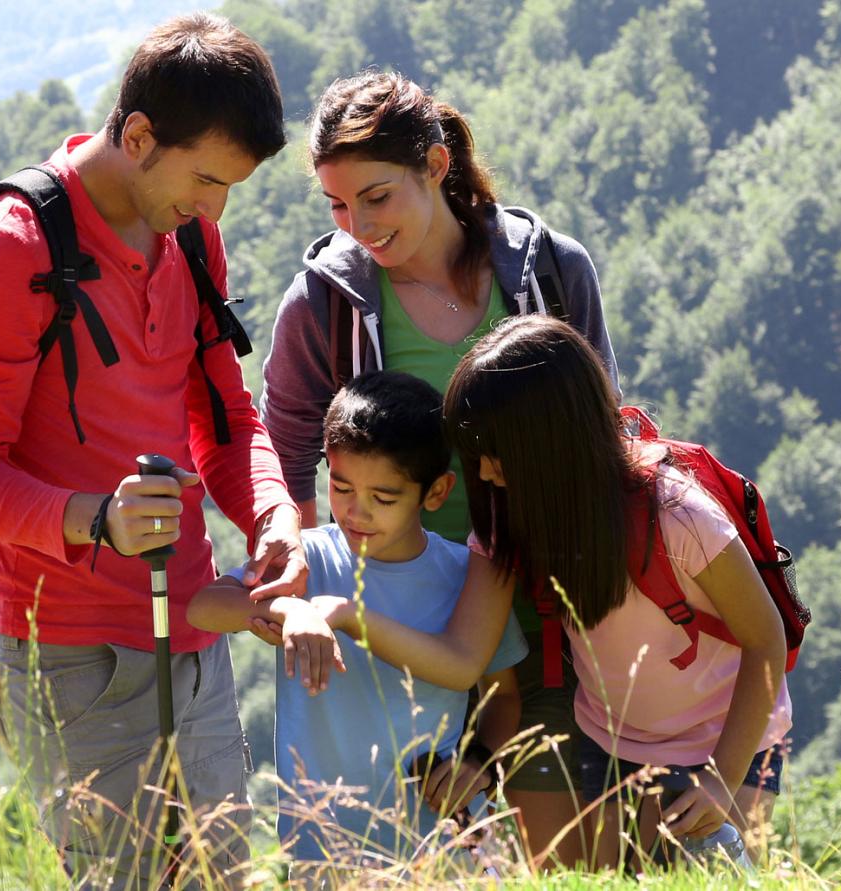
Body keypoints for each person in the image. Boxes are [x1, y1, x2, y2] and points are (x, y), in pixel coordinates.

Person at [0, 13, 303, 887]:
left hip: (195, 631)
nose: (215, 209)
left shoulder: (190, 237)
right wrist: (97, 520)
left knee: (226, 877)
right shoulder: (13, 250)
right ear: (138, 135)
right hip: (73, 660)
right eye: (207, 179)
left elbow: (225, 420)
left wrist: (274, 515)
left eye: (230, 187)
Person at [259, 69, 618, 867]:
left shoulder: (550, 273)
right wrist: (298, 580)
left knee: (561, 863)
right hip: (397, 634)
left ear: (436, 164)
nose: (357, 226)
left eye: (377, 197)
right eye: (338, 205)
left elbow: (603, 434)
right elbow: (281, 457)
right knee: (397, 863)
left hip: (536, 621)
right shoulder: (322, 304)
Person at [304, 316, 792, 870]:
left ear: (551, 443)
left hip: (732, 741)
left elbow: (766, 640)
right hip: (612, 744)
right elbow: (465, 658)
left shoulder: (678, 515)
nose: (484, 472)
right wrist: (348, 615)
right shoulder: (507, 524)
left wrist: (722, 781)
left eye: (497, 452)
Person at [188, 371, 525, 880]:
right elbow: (203, 607)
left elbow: (503, 696)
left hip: (442, 845)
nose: (356, 511)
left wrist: (477, 765)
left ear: (436, 492)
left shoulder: (464, 575)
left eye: (383, 498)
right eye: (341, 487)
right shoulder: (308, 560)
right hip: (320, 848)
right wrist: (289, 608)